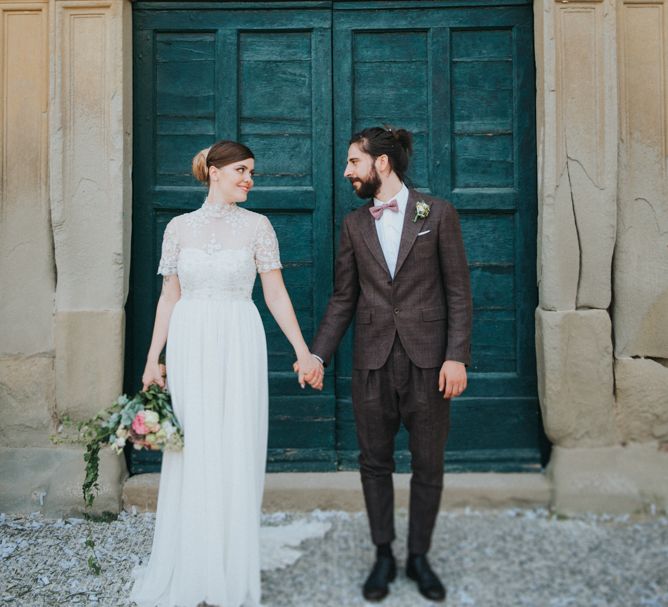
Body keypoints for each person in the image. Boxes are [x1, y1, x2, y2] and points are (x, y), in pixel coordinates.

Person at [131, 140, 323, 607]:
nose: (248, 180)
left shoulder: (259, 227)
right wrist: (154, 356)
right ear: (213, 171)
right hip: (191, 338)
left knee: (235, 441)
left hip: (240, 336)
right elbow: (168, 297)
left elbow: (275, 294)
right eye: (241, 170)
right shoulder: (178, 228)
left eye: (252, 172)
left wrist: (303, 350)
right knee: (194, 444)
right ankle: (193, 557)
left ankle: (230, 561)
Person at [301, 126, 472, 602]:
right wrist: (318, 354)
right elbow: (343, 297)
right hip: (371, 364)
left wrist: (456, 356)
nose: (346, 171)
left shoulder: (437, 214)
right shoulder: (355, 224)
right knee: (374, 464)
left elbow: (459, 291)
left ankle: (418, 556)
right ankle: (383, 554)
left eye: (353, 162)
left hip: (430, 364)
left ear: (381, 163)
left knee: (428, 464)